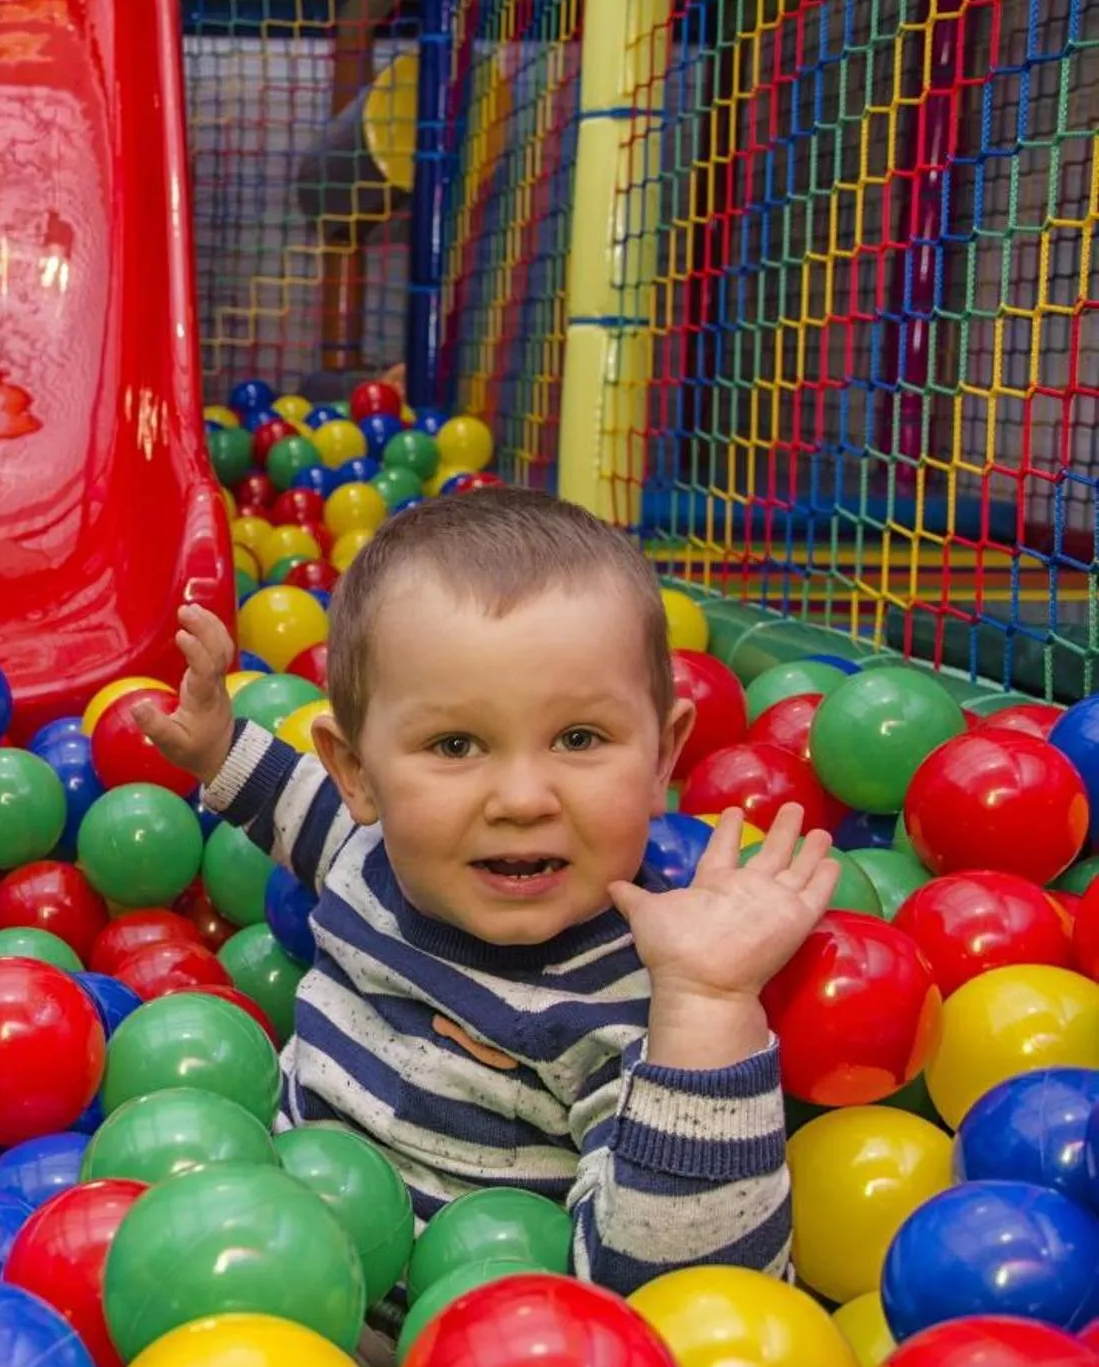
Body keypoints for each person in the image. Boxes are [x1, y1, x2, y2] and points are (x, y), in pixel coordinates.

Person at [136, 485, 835, 1295]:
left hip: (466, 1364)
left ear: (661, 758)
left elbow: (688, 1291)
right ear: (359, 771)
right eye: (456, 744)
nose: (523, 798)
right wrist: (219, 746)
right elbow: (300, 808)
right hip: (255, 1264)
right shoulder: (374, 858)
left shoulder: (632, 1004)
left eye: (579, 738)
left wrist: (711, 1007)